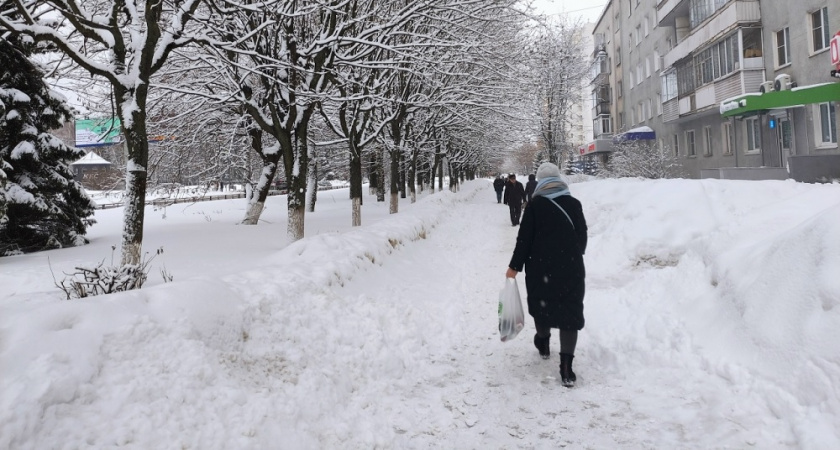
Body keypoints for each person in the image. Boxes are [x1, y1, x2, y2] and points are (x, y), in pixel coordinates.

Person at [505, 162, 588, 387]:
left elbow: (524, 241)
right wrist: (568, 254)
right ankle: (566, 368)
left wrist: (514, 266)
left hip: (539, 268)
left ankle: (542, 342)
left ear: (540, 182)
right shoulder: (574, 204)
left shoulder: (534, 206)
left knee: (543, 307)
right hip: (570, 268)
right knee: (569, 313)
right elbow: (582, 240)